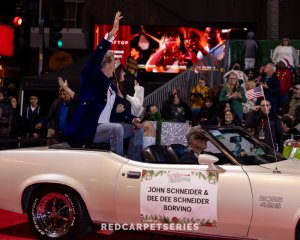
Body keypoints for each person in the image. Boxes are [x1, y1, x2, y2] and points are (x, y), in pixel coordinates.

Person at [64, 12, 143, 161]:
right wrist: (111, 34)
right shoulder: (91, 77)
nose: (116, 65)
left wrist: (133, 120)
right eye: (114, 62)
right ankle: (119, 165)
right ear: (106, 64)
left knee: (136, 130)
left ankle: (134, 162)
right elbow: (95, 59)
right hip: (90, 128)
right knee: (117, 129)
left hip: (106, 127)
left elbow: (118, 113)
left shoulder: (111, 87)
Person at [35, 77, 79, 143]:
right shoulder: (59, 104)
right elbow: (51, 115)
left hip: (70, 134)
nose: (65, 96)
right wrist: (42, 123)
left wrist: (66, 87)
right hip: (60, 134)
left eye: (66, 93)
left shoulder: (73, 104)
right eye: (62, 94)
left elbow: (78, 98)